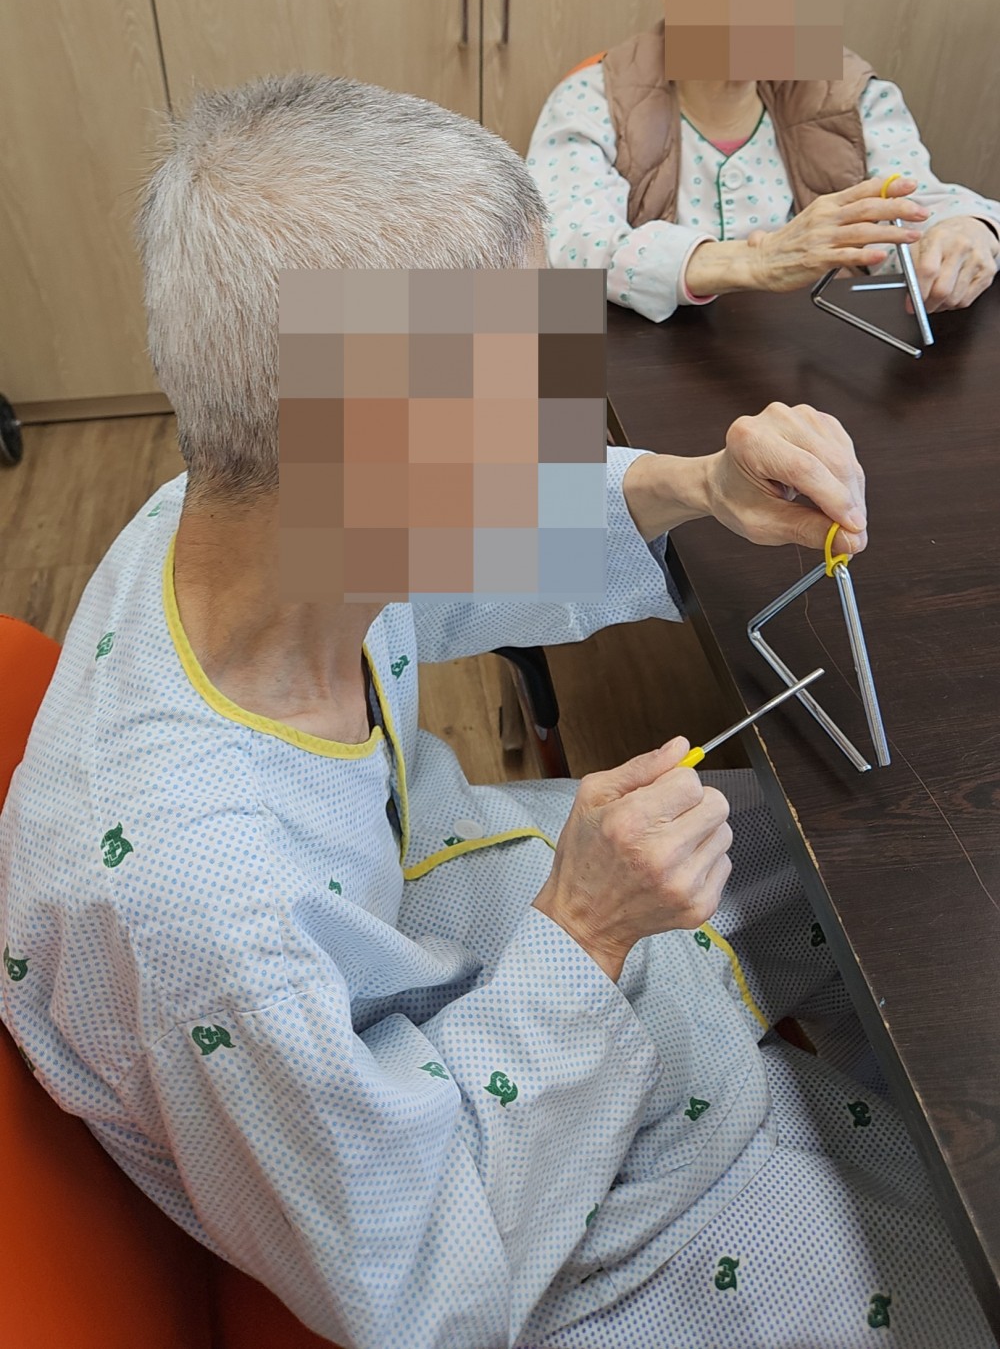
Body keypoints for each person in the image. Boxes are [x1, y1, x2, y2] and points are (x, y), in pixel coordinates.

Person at [0, 77, 991, 1349]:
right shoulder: (206, 912)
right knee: (951, 1244)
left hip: (469, 900)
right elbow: (418, 1281)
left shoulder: (238, 509)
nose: (557, 407)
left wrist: (694, 482)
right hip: (504, 1203)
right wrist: (588, 928)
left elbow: (456, 536)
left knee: (857, 846)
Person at [526, 0, 1000, 323]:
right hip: (647, 367)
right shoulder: (592, 100)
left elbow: (922, 205)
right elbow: (560, 244)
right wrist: (752, 262)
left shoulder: (855, 96)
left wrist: (968, 229)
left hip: (820, 363)